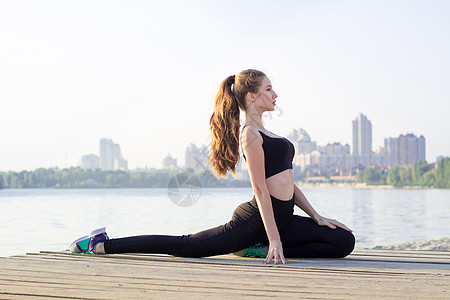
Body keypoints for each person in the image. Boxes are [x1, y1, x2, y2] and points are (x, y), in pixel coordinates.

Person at [70, 69, 355, 264]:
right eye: (269, 89)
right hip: (255, 220)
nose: (275, 94)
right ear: (252, 96)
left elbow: (288, 184)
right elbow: (260, 188)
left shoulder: (274, 137)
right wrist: (274, 238)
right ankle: (101, 244)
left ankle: (258, 249)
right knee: (185, 246)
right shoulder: (250, 135)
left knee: (343, 241)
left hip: (285, 218)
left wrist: (317, 217)